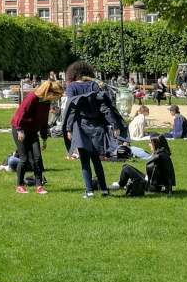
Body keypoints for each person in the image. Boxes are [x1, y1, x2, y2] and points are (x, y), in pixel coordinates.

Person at [60, 61, 126, 198]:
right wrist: (114, 125)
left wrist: (68, 128)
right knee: (97, 161)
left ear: (73, 74)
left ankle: (89, 191)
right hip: (97, 127)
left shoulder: (72, 87)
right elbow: (105, 108)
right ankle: (104, 190)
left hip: (80, 127)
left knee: (85, 161)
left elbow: (71, 109)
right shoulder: (94, 85)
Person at [11, 79, 63, 194]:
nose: (56, 99)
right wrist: (20, 130)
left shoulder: (46, 101)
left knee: (37, 158)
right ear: (49, 92)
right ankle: (20, 185)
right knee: (24, 158)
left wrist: (44, 138)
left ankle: (39, 186)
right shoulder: (32, 97)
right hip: (20, 130)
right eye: (56, 95)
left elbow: (43, 121)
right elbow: (21, 113)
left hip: (33, 131)